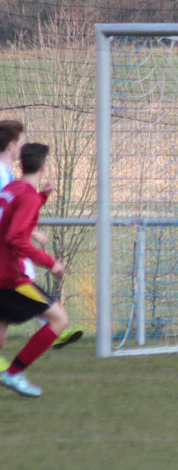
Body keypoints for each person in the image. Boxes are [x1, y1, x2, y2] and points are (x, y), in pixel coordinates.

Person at [0, 122, 79, 373]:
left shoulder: (12, 182)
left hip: (6, 265)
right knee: (56, 316)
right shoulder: (5, 177)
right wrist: (50, 261)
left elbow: (11, 211)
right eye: (22, 142)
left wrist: (39, 200)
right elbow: (13, 232)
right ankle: (14, 374)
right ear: (12, 146)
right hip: (8, 270)